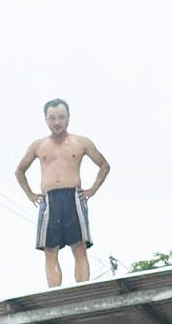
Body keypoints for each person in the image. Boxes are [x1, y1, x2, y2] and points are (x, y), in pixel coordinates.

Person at [15, 98, 110, 287]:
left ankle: (82, 288)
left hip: (74, 197)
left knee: (79, 247)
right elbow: (19, 171)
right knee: (50, 250)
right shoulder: (38, 145)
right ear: (46, 119)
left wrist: (92, 190)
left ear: (68, 118)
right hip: (49, 200)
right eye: (52, 118)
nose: (57, 122)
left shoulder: (81, 142)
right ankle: (54, 291)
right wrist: (30, 194)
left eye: (61, 117)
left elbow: (104, 166)